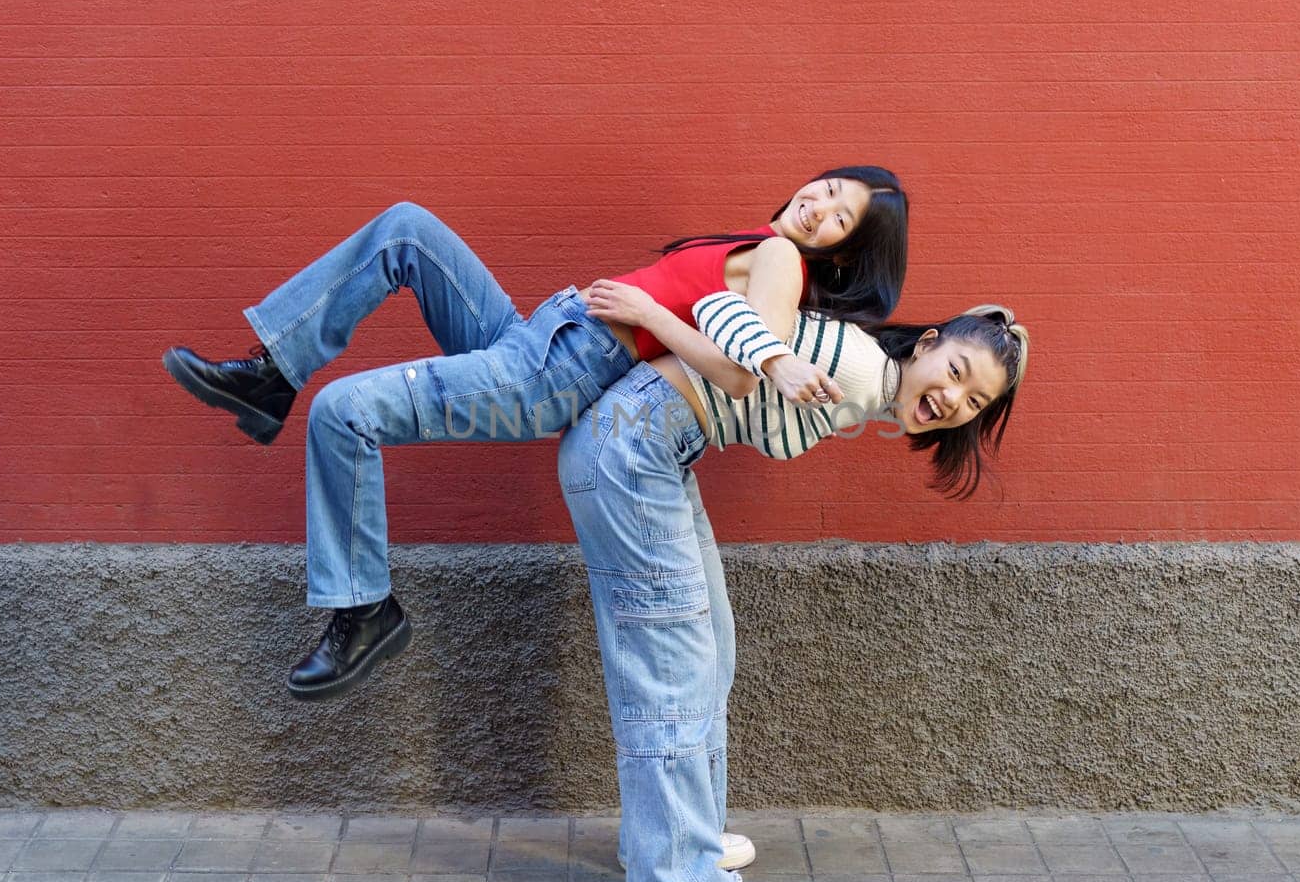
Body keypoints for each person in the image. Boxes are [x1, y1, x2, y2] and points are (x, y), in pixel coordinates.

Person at [159, 169, 908, 702]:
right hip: (540, 338)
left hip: (557, 371)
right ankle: (272, 373)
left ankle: (364, 609)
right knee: (406, 230)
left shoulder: (780, 260)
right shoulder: (753, 239)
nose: (819, 207)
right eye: (829, 189)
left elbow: (745, 372)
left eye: (840, 218)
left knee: (344, 411)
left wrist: (649, 319)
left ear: (841, 254)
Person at [559, 288, 1029, 882]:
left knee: (710, 647)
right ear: (925, 346)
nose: (954, 400)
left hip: (655, 449)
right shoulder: (860, 369)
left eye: (974, 402)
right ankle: (672, 879)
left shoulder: (869, 387)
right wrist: (741, 347)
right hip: (632, 448)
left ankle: (675, 836)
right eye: (955, 372)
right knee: (674, 668)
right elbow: (728, 308)